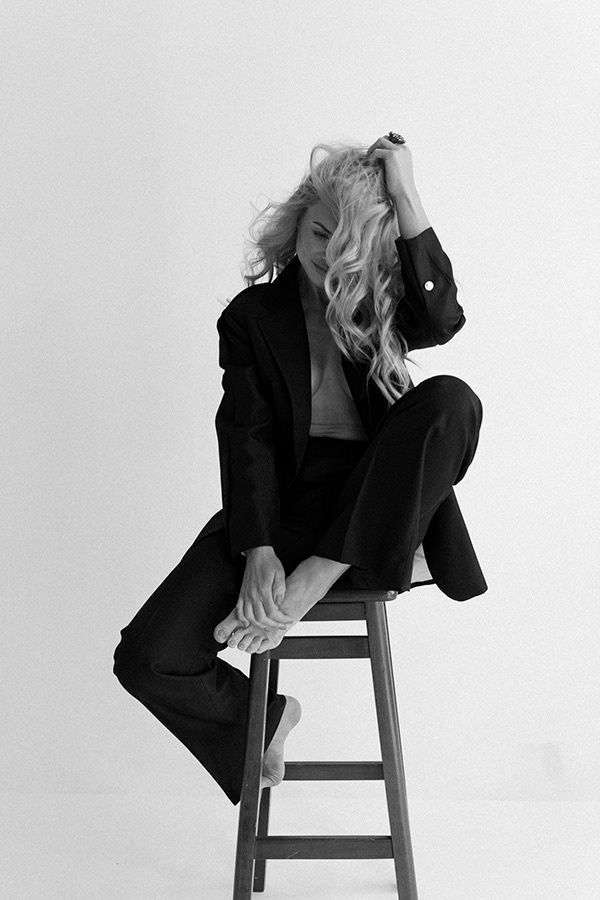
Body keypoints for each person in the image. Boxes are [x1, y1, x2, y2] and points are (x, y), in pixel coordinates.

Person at [113, 133, 487, 805]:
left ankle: (318, 575)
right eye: (319, 232)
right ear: (297, 221)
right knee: (147, 657)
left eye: (348, 242)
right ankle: (266, 718)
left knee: (450, 400)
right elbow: (246, 435)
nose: (327, 253)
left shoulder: (386, 299)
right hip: (283, 509)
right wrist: (257, 549)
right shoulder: (252, 317)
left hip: (375, 503)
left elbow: (444, 316)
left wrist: (403, 190)